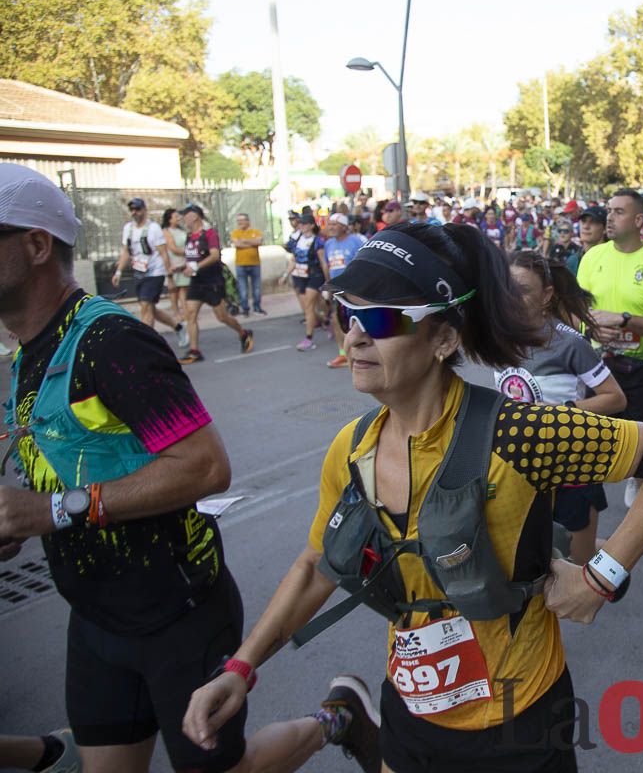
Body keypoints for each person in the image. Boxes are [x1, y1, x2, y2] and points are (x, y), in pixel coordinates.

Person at [185, 222, 643, 772]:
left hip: (518, 717)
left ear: (444, 339)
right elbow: (317, 564)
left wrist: (602, 577)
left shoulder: (519, 433)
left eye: (382, 319)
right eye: (349, 314)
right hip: (412, 709)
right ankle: (363, 722)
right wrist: (240, 669)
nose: (355, 336)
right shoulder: (352, 446)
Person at [0, 163, 377, 773]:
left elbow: (206, 466)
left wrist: (50, 510)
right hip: (94, 616)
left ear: (36, 245)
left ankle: (335, 720)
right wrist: (23, 524)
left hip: (176, 613)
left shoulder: (109, 342)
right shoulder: (31, 348)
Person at [499, 249, 628, 562]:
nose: (513, 298)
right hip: (522, 466)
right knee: (532, 555)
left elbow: (615, 397)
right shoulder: (499, 337)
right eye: (507, 289)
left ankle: (605, 554)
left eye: (524, 290)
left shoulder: (570, 343)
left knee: (577, 564)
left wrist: (563, 413)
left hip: (572, 465)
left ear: (546, 296)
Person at [577, 188, 643, 508]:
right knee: (593, 440)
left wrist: (623, 320)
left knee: (638, 446)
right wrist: (593, 326)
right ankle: (587, 505)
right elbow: (575, 313)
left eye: (619, 212)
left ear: (639, 220)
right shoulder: (593, 256)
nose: (609, 217)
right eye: (609, 211)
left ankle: (640, 487)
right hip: (599, 366)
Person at [173, 205, 253, 364]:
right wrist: (182, 267)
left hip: (212, 282)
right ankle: (195, 351)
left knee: (222, 317)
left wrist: (196, 266)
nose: (183, 218)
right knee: (190, 314)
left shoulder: (210, 234)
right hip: (196, 282)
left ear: (195, 216)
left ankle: (243, 333)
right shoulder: (190, 237)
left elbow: (215, 255)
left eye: (185, 215)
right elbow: (191, 258)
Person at [111, 197, 188, 345]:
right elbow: (126, 251)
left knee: (146, 306)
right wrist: (118, 272)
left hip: (155, 272)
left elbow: (164, 253)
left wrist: (169, 277)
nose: (135, 212)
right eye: (132, 210)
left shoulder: (153, 229)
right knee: (150, 308)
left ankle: (146, 343)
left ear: (144, 210)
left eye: (138, 209)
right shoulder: (128, 228)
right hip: (140, 272)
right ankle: (178, 326)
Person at [322, 213, 366, 368]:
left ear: (344, 226)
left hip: (354, 289)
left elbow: (365, 263)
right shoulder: (328, 244)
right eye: (330, 224)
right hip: (336, 289)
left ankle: (358, 353)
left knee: (356, 322)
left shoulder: (356, 241)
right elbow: (328, 266)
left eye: (335, 224)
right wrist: (328, 286)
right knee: (336, 321)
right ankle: (343, 354)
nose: (331, 227)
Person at [281, 213, 329, 352]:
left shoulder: (318, 241)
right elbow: (294, 260)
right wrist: (285, 275)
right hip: (301, 276)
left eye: (304, 224)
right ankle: (327, 321)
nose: (300, 226)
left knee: (308, 307)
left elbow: (323, 262)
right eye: (300, 223)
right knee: (309, 308)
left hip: (315, 275)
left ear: (312, 225)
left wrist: (328, 282)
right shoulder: (298, 240)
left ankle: (308, 338)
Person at [230, 212, 266, 316]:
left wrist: (244, 241)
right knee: (242, 287)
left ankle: (257, 307)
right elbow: (237, 244)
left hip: (255, 263)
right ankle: (245, 308)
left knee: (257, 287)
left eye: (242, 220)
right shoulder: (235, 233)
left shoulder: (256, 232)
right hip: (241, 264)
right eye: (238, 221)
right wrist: (251, 243)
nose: (240, 223)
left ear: (247, 221)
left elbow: (258, 242)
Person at [163, 207, 190, 335]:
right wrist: (188, 252)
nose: (178, 219)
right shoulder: (166, 231)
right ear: (169, 219)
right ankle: (176, 313)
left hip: (184, 261)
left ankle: (185, 312)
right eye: (175, 217)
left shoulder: (181, 230)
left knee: (184, 288)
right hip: (173, 261)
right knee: (173, 290)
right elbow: (172, 248)